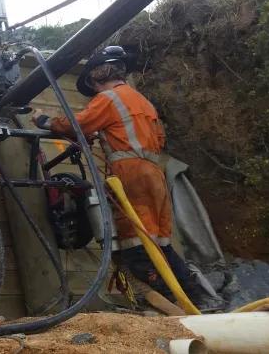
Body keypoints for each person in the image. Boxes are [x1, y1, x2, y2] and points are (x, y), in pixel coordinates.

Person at [31, 45, 215, 309]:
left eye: (92, 84)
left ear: (97, 75)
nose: (93, 91)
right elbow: (154, 138)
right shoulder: (144, 103)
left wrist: (44, 121)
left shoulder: (108, 99)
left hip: (130, 175)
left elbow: (77, 124)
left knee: (135, 240)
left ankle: (166, 304)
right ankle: (198, 300)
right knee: (160, 242)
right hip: (154, 173)